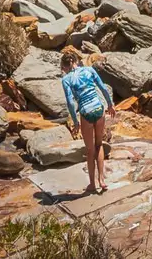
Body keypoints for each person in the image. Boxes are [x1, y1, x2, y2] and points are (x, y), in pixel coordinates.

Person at [59, 47, 117, 194]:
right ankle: (102, 180)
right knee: (99, 144)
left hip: (86, 112)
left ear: (66, 66)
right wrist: (110, 104)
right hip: (99, 109)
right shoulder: (89, 70)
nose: (63, 71)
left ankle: (92, 184)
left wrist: (76, 122)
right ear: (76, 61)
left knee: (90, 149)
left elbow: (70, 103)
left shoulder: (66, 80)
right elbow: (103, 88)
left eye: (62, 68)